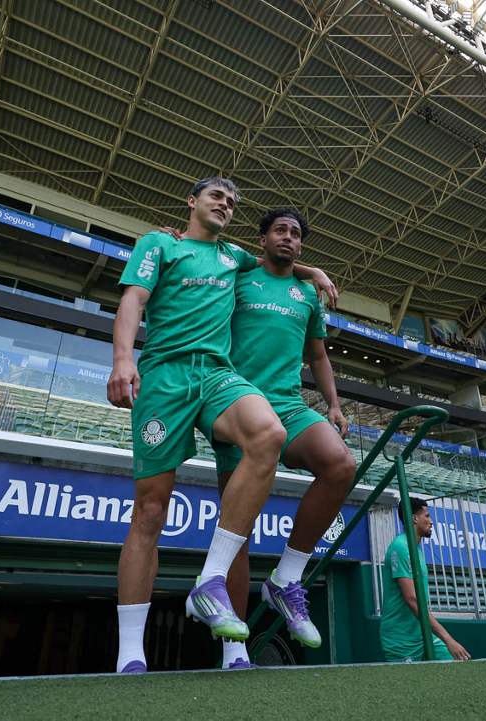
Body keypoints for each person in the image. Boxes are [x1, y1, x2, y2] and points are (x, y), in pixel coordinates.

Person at [108, 177, 336, 674]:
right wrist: (124, 359)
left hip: (216, 374)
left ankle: (210, 583)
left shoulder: (235, 258)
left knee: (269, 433)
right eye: (217, 198)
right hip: (165, 377)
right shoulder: (160, 243)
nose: (225, 206)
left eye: (232, 203)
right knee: (149, 512)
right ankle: (131, 652)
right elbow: (133, 301)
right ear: (193, 202)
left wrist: (313, 270)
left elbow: (281, 264)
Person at [201, 208, 356, 669]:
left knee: (340, 465)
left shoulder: (307, 295)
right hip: (238, 406)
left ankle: (286, 578)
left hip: (289, 405)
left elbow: (319, 355)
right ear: (263, 238)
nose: (288, 238)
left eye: (296, 234)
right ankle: (234, 648)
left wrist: (333, 403)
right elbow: (206, 252)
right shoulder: (240, 276)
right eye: (280, 231)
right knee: (239, 534)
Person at [380, 497, 470, 663]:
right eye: (427, 516)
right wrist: (448, 639)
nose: (432, 521)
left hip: (423, 634)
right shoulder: (401, 548)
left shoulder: (416, 550)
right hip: (401, 640)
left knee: (458, 667)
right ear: (415, 518)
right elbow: (412, 600)